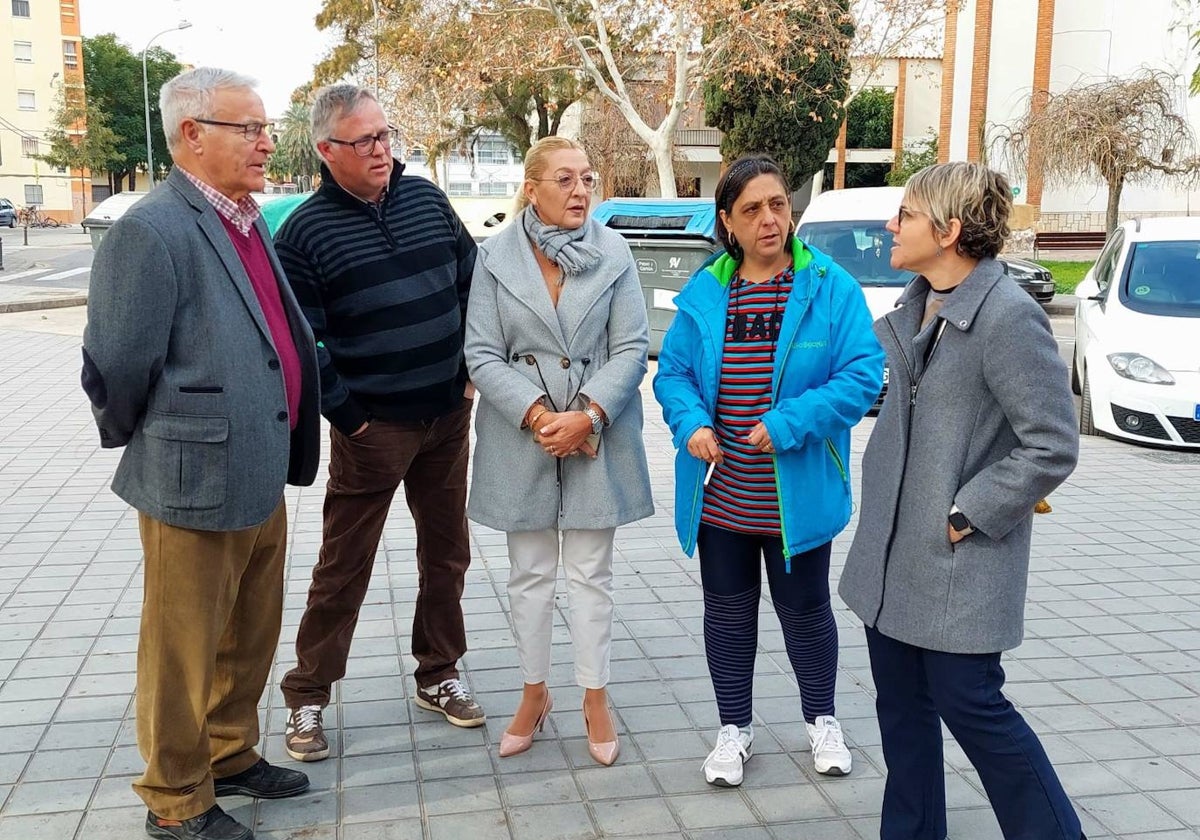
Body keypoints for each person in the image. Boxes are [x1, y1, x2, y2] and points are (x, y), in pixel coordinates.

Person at [82, 67, 321, 840]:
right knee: (181, 647)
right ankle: (176, 797)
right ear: (192, 135)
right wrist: (161, 439)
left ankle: (229, 751)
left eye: (264, 125)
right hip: (192, 475)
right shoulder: (153, 229)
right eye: (247, 128)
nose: (266, 140)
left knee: (250, 628)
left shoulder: (244, 218)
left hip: (259, 463)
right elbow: (116, 362)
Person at [838, 161, 1085, 840]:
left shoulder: (1007, 317)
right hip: (892, 563)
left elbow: (1053, 443)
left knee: (975, 710)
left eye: (907, 216)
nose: (892, 226)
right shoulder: (919, 306)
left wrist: (967, 513)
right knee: (903, 718)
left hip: (957, 567)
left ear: (949, 231)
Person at [653, 155, 883, 787]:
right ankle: (734, 729)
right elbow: (671, 374)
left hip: (797, 497)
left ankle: (822, 720)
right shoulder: (706, 292)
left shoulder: (829, 286)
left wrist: (788, 423)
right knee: (727, 615)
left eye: (778, 204)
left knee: (806, 611)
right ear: (727, 220)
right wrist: (693, 423)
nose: (769, 219)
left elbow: (863, 375)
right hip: (722, 497)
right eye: (752, 209)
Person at [274, 83, 482, 762]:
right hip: (374, 430)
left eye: (386, 135)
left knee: (447, 553)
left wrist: (471, 371)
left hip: (448, 415)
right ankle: (307, 697)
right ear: (327, 149)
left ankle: (439, 674)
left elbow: (468, 280)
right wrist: (352, 418)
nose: (382, 151)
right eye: (365, 141)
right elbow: (307, 342)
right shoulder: (303, 233)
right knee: (344, 565)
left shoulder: (425, 198)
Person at [464, 136, 653, 766]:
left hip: (596, 433)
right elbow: (482, 353)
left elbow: (632, 346)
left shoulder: (616, 251)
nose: (580, 191)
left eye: (588, 178)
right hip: (525, 435)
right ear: (532, 188)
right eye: (566, 180)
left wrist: (588, 414)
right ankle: (533, 693)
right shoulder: (492, 257)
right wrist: (540, 413)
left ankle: (594, 697)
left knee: (591, 575)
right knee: (530, 577)